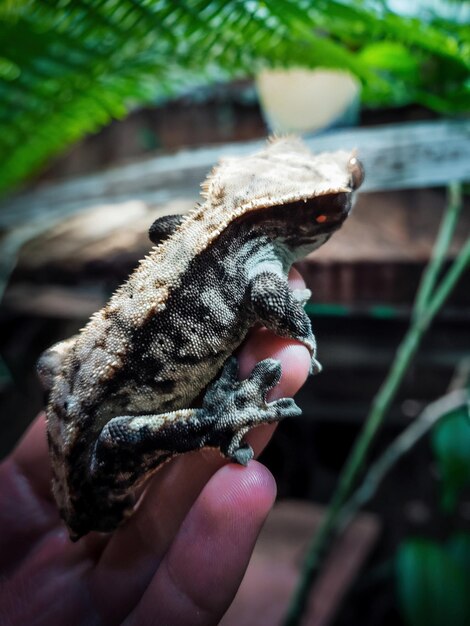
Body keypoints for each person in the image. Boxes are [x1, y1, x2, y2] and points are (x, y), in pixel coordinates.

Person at [0, 270, 311, 625]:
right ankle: (217, 425)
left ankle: (216, 421)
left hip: (87, 436)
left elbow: (50, 366)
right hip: (93, 467)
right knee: (117, 436)